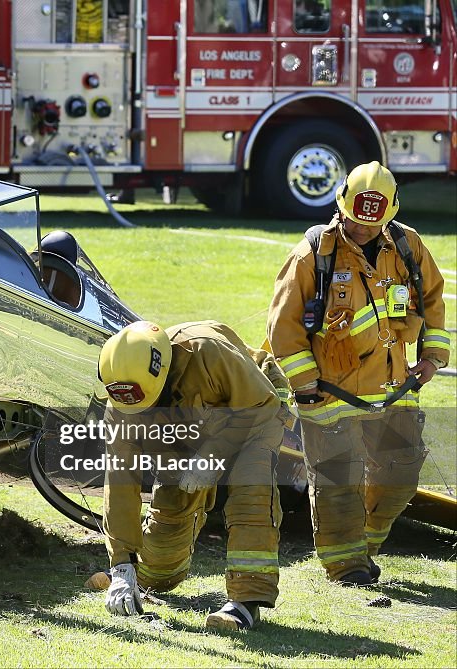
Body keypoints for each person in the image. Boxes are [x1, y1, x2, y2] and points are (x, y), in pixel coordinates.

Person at [267, 161, 449, 585]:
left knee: (400, 477)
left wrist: (433, 356)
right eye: (355, 220)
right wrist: (305, 383)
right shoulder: (312, 254)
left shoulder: (407, 246)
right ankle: (346, 567)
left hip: (394, 387)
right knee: (336, 485)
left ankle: (364, 544)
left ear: (390, 213)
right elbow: (283, 326)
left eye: (374, 223)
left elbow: (432, 300)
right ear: (341, 206)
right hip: (330, 395)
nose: (363, 230)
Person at [99, 320, 286, 631]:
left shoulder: (207, 352)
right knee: (160, 560)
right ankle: (137, 575)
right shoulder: (123, 403)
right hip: (190, 437)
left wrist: (215, 453)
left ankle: (246, 603)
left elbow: (263, 405)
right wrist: (121, 566)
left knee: (252, 488)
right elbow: (120, 483)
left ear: (164, 371)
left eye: (149, 404)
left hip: (255, 410)